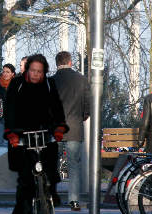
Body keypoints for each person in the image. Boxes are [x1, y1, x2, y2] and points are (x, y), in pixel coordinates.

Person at [4, 54, 68, 213]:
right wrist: (11, 132)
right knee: (25, 178)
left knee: (51, 166)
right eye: (33, 70)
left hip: (45, 131)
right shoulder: (17, 84)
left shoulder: (48, 84)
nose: (36, 74)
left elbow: (57, 107)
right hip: (22, 132)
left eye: (39, 71)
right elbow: (9, 109)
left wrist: (59, 127)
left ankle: (51, 191)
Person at [51, 51, 90, 212]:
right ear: (70, 62)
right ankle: (74, 200)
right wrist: (82, 117)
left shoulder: (50, 82)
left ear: (56, 63)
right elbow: (88, 104)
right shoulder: (81, 80)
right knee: (74, 165)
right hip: (74, 127)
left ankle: (51, 197)